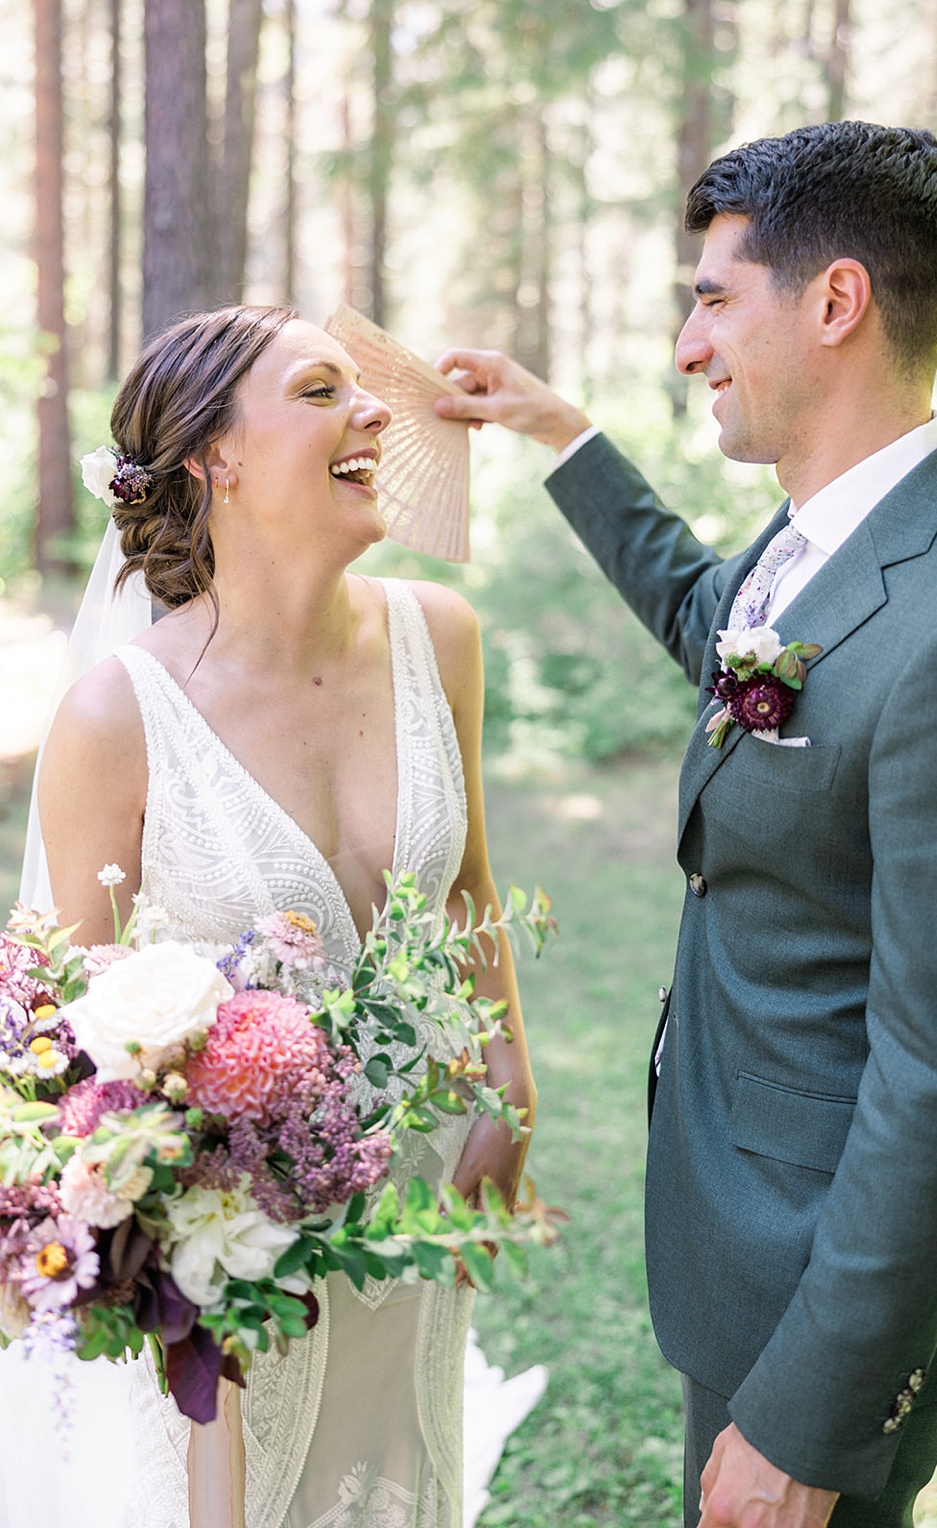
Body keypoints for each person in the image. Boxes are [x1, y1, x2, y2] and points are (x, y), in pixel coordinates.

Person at [431, 121, 937, 1527]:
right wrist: (559, 433)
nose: (691, 347)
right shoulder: (823, 540)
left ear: (834, 303)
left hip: (821, 1288)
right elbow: (720, 632)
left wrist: (810, 1420)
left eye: (712, 300)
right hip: (742, 1237)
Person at [7, 303, 536, 1528]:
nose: (372, 415)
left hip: (410, 1186)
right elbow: (68, 1065)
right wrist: (184, 1243)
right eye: (319, 391)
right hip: (224, 1249)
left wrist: (512, 1085)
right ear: (215, 458)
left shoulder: (440, 634)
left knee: (389, 1477)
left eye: (364, 389)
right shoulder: (113, 717)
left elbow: (471, 889)